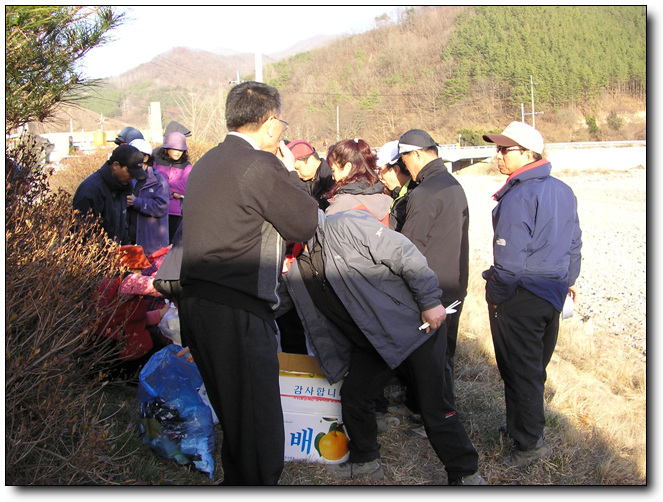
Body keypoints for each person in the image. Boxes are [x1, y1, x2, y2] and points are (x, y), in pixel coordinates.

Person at [178, 81, 319, 485]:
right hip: (236, 311)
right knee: (259, 429)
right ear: (272, 123)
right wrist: (290, 172)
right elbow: (305, 222)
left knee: (236, 418)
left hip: (198, 306)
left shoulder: (206, 162)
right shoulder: (260, 164)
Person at [282, 207, 485, 485]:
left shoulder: (344, 225)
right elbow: (277, 303)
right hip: (373, 343)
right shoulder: (292, 263)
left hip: (413, 329)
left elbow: (403, 253)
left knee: (434, 406)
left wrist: (429, 300)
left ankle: (465, 473)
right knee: (355, 396)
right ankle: (365, 460)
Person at [481, 121, 582, 468]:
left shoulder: (521, 194)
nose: (497, 155)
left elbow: (508, 261)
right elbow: (574, 244)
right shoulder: (562, 190)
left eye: (504, 149)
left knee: (520, 370)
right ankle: (520, 427)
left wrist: (497, 293)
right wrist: (566, 283)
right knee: (533, 368)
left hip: (520, 295)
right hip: (551, 294)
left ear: (528, 154)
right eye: (497, 148)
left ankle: (529, 445)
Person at [395, 130, 470, 430]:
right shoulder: (453, 184)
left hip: (432, 286)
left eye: (404, 159)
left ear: (416, 154)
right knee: (444, 353)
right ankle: (428, 409)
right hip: (455, 281)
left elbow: (408, 248)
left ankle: (439, 419)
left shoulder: (424, 193)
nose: (405, 168)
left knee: (432, 359)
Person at [73, 144, 147, 244]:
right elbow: (83, 232)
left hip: (115, 252)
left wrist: (127, 248)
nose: (132, 178)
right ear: (116, 166)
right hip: (96, 255)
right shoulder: (91, 190)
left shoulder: (122, 187)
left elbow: (121, 224)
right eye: (130, 173)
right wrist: (108, 253)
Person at [126, 138, 170, 256]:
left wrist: (137, 202)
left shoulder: (158, 180)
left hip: (150, 244)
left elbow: (161, 206)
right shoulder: (125, 177)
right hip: (128, 240)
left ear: (145, 158)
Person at [154, 131, 193, 243]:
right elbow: (152, 182)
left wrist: (162, 183)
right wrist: (172, 193)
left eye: (181, 149)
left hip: (175, 212)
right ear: (167, 148)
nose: (178, 152)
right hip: (156, 209)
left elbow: (183, 187)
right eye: (175, 149)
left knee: (171, 247)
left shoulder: (187, 166)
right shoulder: (156, 161)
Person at [376, 140, 417, 232]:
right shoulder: (396, 195)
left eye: (381, 170)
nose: (380, 176)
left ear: (395, 170)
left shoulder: (411, 198)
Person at [286, 139, 335, 210]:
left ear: (311, 160)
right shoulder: (300, 181)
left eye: (297, 168)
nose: (297, 173)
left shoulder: (330, 177)